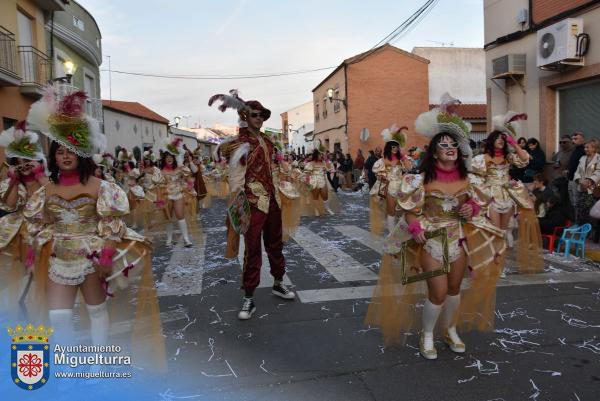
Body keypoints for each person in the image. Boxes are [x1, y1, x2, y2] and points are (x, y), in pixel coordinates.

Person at [23, 88, 163, 368]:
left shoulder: (102, 188)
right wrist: (30, 254)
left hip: (92, 256)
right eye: (59, 151)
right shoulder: (45, 190)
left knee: (96, 311)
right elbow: (35, 224)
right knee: (58, 317)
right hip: (59, 258)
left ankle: (98, 364)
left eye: (70, 151)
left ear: (81, 154)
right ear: (53, 156)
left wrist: (107, 257)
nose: (64, 156)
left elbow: (111, 224)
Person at [366, 94, 505, 360]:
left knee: (454, 290)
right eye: (444, 144)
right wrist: (416, 228)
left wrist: (472, 208)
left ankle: (450, 329)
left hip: (459, 238)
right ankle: (427, 333)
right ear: (435, 151)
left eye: (453, 144)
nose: (450, 148)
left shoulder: (469, 179)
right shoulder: (419, 179)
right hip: (431, 239)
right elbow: (410, 210)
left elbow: (481, 201)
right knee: (438, 291)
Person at [209, 90, 295, 320]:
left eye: (262, 115)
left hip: (273, 200)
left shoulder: (268, 141)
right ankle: (249, 296)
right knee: (252, 248)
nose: (259, 118)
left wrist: (282, 184)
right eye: (255, 115)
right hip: (253, 202)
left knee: (275, 244)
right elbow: (236, 176)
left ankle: (278, 282)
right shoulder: (239, 143)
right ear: (246, 116)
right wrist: (236, 205)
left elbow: (274, 169)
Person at [471, 112, 543, 273]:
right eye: (498, 138)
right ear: (491, 140)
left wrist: (514, 143)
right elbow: (474, 176)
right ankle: (491, 261)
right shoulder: (482, 158)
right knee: (494, 231)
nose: (501, 141)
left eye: (503, 139)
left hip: (506, 196)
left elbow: (525, 159)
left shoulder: (509, 156)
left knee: (503, 232)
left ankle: (499, 264)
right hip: (491, 196)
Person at [369, 125, 412, 234]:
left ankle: (401, 229)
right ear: (389, 147)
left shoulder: (401, 159)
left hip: (401, 187)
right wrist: (383, 175)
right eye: (393, 147)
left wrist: (403, 157)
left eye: (397, 147)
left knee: (402, 210)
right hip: (388, 187)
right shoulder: (382, 160)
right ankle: (392, 232)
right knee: (391, 210)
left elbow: (409, 168)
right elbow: (376, 171)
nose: (395, 149)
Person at [158, 138, 194, 247]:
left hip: (178, 194)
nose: (169, 159)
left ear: (174, 158)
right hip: (166, 195)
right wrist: (159, 198)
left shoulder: (180, 168)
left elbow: (189, 178)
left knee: (180, 215)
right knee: (168, 217)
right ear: (164, 159)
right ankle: (169, 240)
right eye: (167, 157)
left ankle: (186, 239)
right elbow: (158, 185)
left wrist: (190, 188)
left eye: (171, 157)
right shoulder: (161, 171)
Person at [573, 139, 600, 226]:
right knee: (580, 208)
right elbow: (577, 172)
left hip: (593, 189)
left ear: (594, 148)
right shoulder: (582, 158)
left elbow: (598, 172)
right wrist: (579, 180)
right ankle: (580, 227)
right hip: (581, 187)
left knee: (590, 210)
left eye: (587, 147)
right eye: (585, 147)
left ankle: (590, 230)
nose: (585, 149)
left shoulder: (598, 158)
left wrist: (589, 180)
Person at [551, 134, 574, 210]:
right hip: (556, 177)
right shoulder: (561, 151)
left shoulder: (573, 152)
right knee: (556, 199)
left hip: (565, 179)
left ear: (570, 142)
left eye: (564, 142)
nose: (562, 144)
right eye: (560, 142)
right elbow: (553, 158)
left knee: (564, 201)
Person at [567, 132, 586, 217]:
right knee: (572, 202)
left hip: (577, 180)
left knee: (576, 202)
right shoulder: (575, 150)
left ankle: (578, 221)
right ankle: (575, 220)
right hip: (570, 178)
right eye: (572, 139)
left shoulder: (583, 150)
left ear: (582, 139)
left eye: (575, 139)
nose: (573, 141)